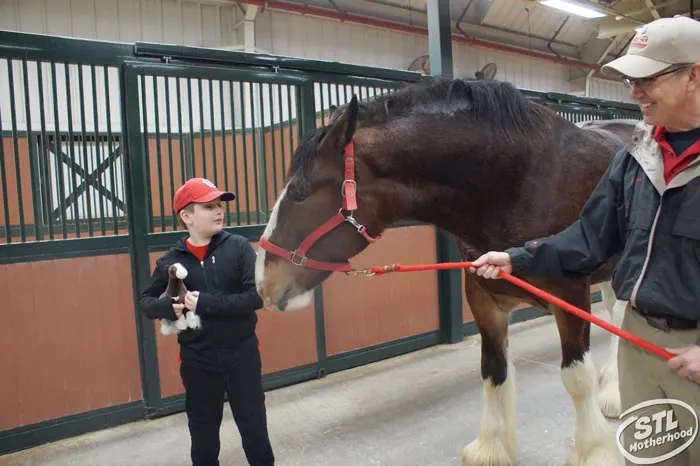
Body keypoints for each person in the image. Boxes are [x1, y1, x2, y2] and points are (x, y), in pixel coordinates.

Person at [469, 15, 700, 466]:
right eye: (631, 80)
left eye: (647, 79)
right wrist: (517, 258)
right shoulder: (637, 157)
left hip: (694, 351)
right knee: (651, 458)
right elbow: (588, 238)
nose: (633, 93)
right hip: (637, 342)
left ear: (694, 75)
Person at [139, 177, 274, 466]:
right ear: (186, 216)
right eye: (208, 206)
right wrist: (167, 308)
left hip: (242, 357)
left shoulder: (238, 248)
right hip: (198, 363)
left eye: (219, 205)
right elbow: (145, 303)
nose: (219, 211)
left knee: (254, 433)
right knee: (203, 438)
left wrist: (206, 303)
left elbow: (257, 297)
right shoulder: (170, 261)